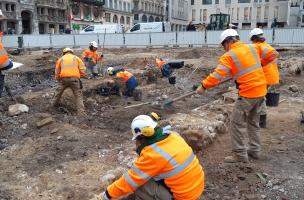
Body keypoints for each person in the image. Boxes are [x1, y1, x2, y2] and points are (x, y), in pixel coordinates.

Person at [196, 29, 268, 163]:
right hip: (261, 90)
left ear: (228, 42)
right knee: (253, 123)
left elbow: (217, 75)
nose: (224, 48)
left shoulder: (229, 55)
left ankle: (240, 155)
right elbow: (269, 55)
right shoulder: (252, 48)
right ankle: (255, 150)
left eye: (223, 45)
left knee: (236, 123)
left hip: (248, 93)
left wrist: (203, 86)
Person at [95, 112, 205, 200]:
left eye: (137, 140)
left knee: (139, 186)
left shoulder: (153, 155)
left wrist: (105, 196)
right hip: (196, 187)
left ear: (142, 137)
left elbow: (129, 181)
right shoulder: (173, 136)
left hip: (184, 197)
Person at [249, 28, 280, 128]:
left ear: (254, 38)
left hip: (265, 77)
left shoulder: (258, 46)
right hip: (271, 77)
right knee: (261, 98)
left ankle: (261, 122)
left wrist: (261, 63)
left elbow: (272, 55)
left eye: (252, 40)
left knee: (260, 98)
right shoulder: (266, 45)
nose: (252, 42)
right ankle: (260, 120)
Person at [53, 48, 86, 115]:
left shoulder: (61, 59)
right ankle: (81, 113)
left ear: (64, 53)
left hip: (63, 79)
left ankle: (52, 106)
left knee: (57, 93)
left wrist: (58, 78)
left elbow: (57, 71)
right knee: (78, 96)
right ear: (72, 52)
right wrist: (80, 76)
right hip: (74, 79)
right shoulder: (76, 58)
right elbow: (83, 69)